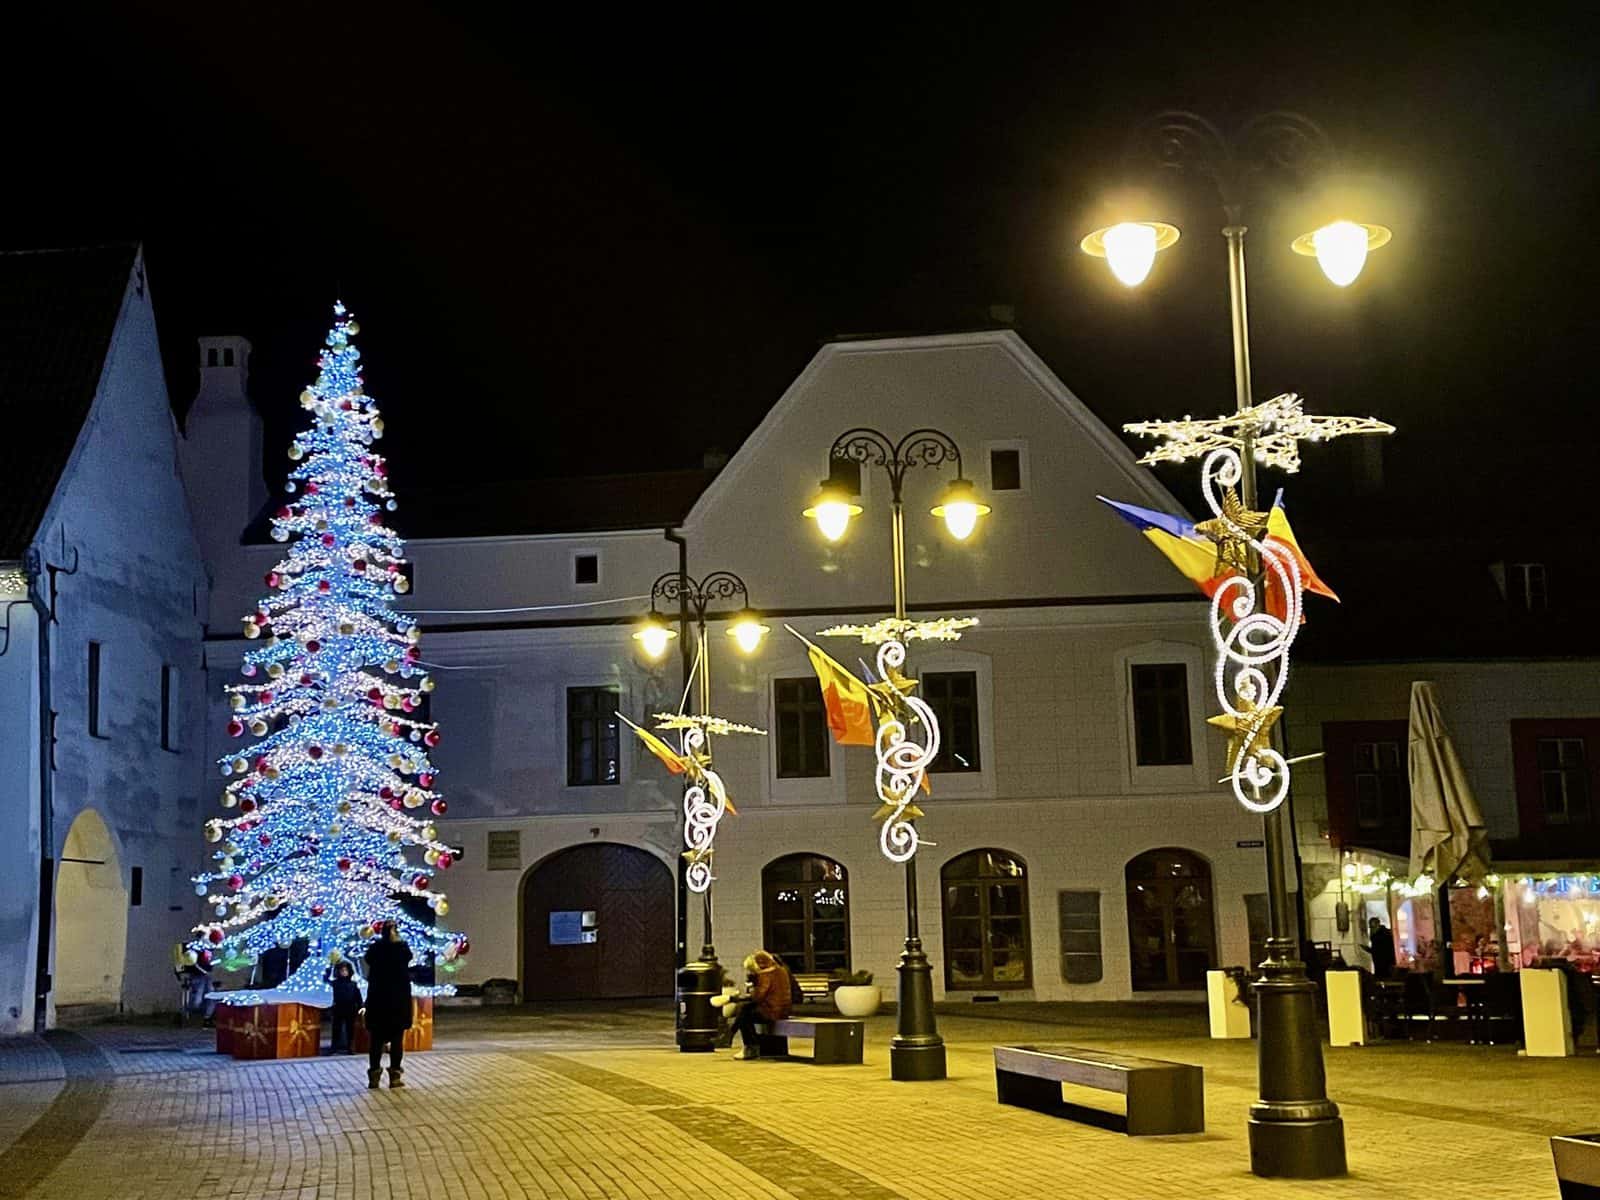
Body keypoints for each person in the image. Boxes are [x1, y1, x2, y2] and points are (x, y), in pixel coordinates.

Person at [363, 922, 414, 1088]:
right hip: (397, 1002)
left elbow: (368, 959)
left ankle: (374, 1076)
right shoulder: (401, 948)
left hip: (378, 1001)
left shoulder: (376, 948)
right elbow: (409, 957)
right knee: (397, 1040)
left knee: (376, 1042)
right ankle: (395, 1076)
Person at [731, 950, 792, 1061]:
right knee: (744, 1010)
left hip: (772, 1011)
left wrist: (753, 987)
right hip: (784, 1010)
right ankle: (732, 1035)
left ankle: (750, 1046)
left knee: (744, 1014)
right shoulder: (782, 970)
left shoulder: (766, 975)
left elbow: (758, 997)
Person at [326, 960, 362, 1055]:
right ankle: (334, 1047)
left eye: (346, 970)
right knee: (336, 1028)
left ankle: (350, 1047)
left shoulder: (353, 984)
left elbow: (358, 996)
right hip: (338, 1008)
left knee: (350, 1029)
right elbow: (326, 980)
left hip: (350, 1009)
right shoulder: (335, 984)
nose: (344, 972)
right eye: (342, 970)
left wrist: (361, 1006)